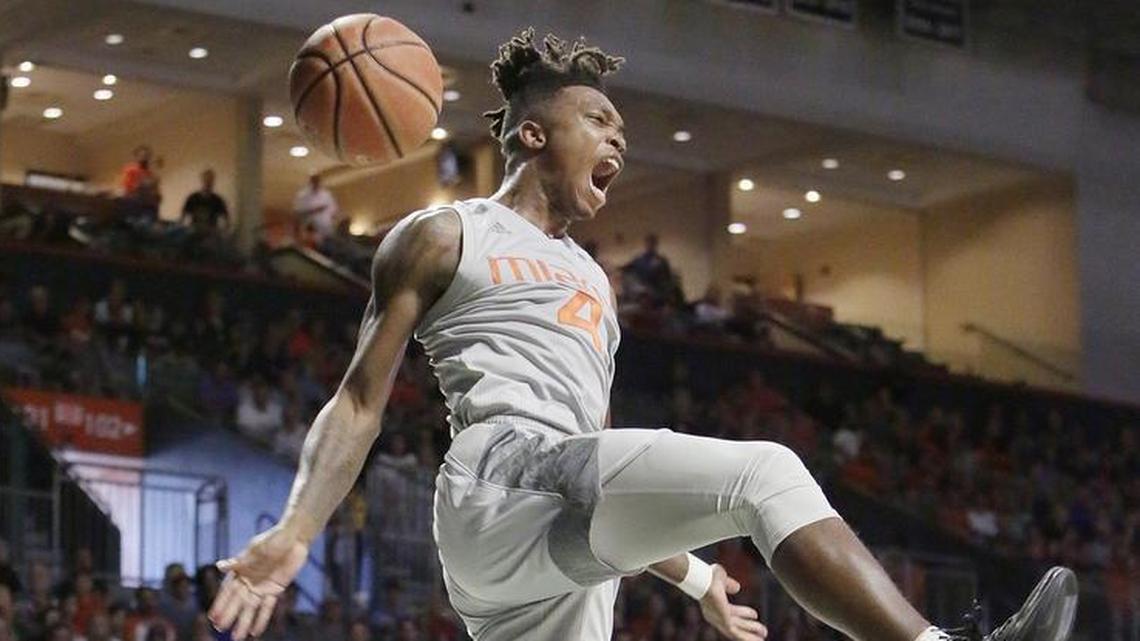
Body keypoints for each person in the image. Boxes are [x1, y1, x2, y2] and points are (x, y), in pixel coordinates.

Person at [208, 29, 1078, 641]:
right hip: (499, 481)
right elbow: (359, 398)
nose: (619, 137)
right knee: (766, 469)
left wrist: (697, 578)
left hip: (549, 544)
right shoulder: (445, 234)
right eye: (600, 120)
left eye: (622, 130)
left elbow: (602, 469)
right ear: (532, 131)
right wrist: (295, 530)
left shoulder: (595, 281)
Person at [292, 174, 340, 248]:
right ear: (310, 182)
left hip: (326, 229)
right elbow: (298, 211)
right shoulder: (303, 195)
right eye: (314, 182)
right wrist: (314, 210)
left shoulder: (326, 194)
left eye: (318, 182)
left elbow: (333, 208)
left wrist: (333, 217)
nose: (316, 184)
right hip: (310, 228)